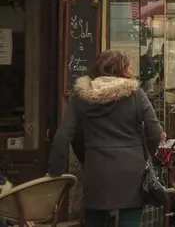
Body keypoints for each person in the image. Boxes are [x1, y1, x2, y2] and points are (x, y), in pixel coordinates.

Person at [48, 50, 164, 227]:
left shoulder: (80, 97)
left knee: (95, 219)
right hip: (132, 170)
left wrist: (57, 170)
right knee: (130, 220)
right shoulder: (135, 95)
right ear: (122, 70)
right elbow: (155, 131)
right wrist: (145, 154)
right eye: (129, 66)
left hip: (97, 168)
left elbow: (64, 135)